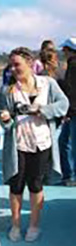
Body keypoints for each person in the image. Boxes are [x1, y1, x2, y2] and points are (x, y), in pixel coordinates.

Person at [0, 47, 69, 242]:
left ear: (30, 64)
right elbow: (6, 121)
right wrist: (5, 119)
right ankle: (15, 225)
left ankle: (34, 225)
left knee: (36, 185)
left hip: (42, 143)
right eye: (11, 65)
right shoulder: (7, 90)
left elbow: (64, 104)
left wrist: (43, 110)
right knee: (16, 186)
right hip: (18, 145)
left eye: (17, 64)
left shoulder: (48, 84)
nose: (13, 69)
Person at [58, 37, 76, 184]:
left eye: (65, 50)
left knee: (67, 144)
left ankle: (70, 177)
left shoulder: (73, 66)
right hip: (72, 111)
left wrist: (68, 112)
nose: (63, 52)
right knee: (65, 143)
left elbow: (72, 91)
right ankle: (68, 176)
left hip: (73, 112)